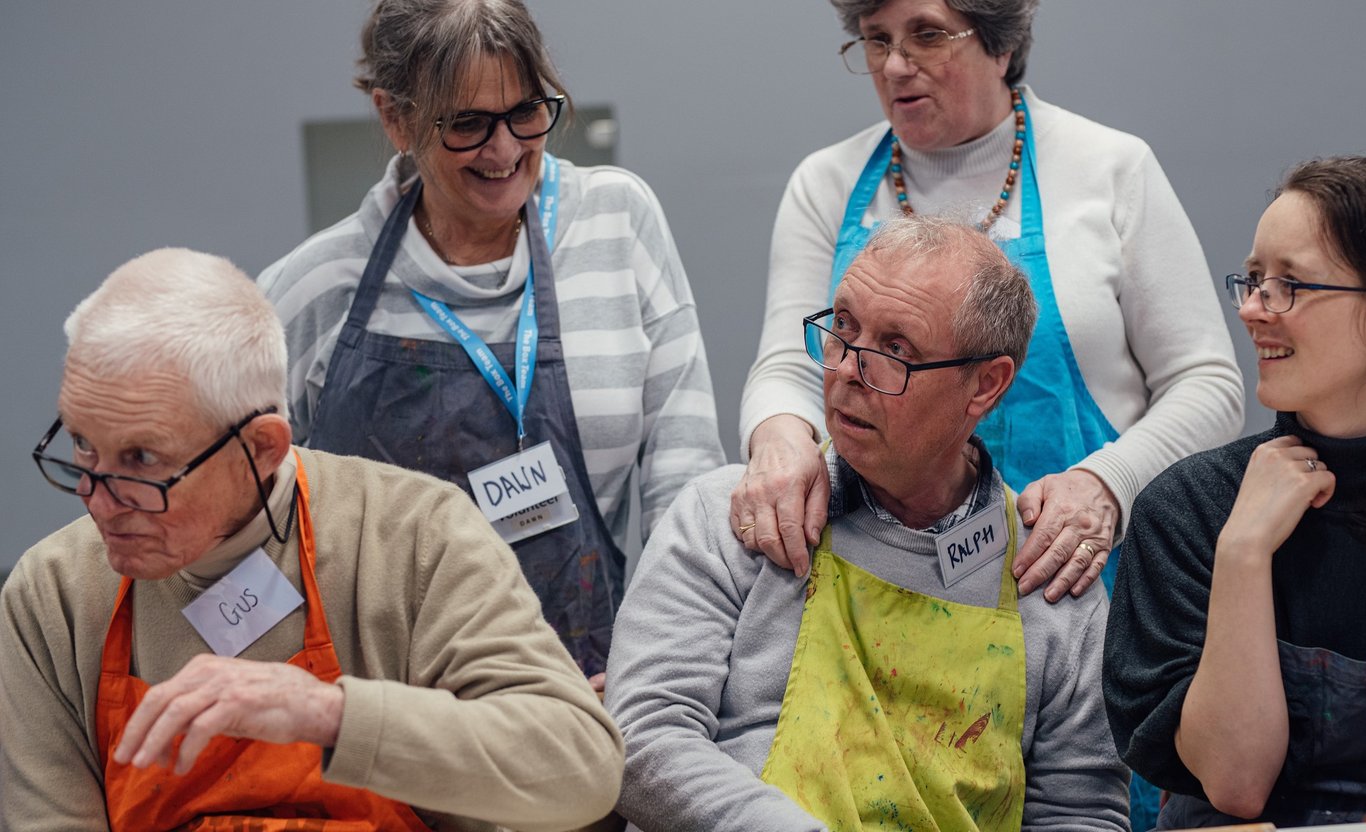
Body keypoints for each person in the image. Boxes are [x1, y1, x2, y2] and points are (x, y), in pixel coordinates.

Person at [0, 248, 624, 831]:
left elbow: (581, 770)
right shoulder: (52, 593)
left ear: (261, 448)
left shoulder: (413, 535)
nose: (98, 500)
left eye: (142, 458)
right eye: (82, 443)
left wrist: (328, 716)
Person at [607, 216, 1129, 831]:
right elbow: (642, 741)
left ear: (985, 385)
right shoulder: (733, 520)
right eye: (843, 329)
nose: (847, 370)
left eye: (896, 350)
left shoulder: (1050, 580)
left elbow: (1082, 812)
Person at [259, 0, 725, 680]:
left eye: (527, 112)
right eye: (467, 124)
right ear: (396, 119)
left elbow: (683, 479)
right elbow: (256, 525)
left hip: (589, 695)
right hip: (387, 719)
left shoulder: (615, 223)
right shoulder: (313, 289)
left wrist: (654, 666)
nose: (504, 150)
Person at [734, 0, 1243, 605]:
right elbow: (792, 363)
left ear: (1001, 46)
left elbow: (1207, 383)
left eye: (927, 35)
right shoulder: (827, 181)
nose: (895, 65)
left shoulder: (1109, 170)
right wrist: (779, 441)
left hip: (1079, 581)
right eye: (877, 40)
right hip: (877, 582)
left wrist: (1109, 482)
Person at [1104, 157, 1366, 824]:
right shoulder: (1190, 509)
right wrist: (1243, 552)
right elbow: (1233, 782)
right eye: (1252, 280)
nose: (1251, 309)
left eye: (1289, 285)